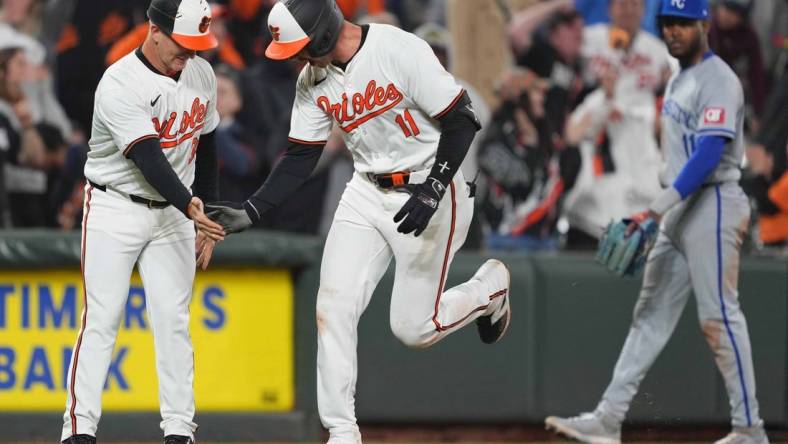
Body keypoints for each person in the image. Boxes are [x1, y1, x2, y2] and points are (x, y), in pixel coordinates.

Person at [204, 0, 511, 442]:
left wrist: (433, 188)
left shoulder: (398, 49)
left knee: (413, 329)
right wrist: (253, 209)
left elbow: (462, 121)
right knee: (333, 306)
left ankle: (489, 290)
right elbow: (300, 155)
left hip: (432, 185)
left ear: (324, 36)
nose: (297, 60)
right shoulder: (313, 79)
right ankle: (342, 433)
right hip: (366, 190)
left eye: (302, 49)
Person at [545, 1, 770, 443]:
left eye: (684, 23)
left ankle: (750, 430)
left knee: (719, 317)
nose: (674, 31)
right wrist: (661, 206)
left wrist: (655, 207)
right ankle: (609, 418)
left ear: (704, 24)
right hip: (680, 206)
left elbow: (708, 155)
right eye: (668, 22)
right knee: (649, 314)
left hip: (714, 201)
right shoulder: (679, 79)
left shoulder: (718, 79)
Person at [59, 0, 225, 443]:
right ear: (154, 29)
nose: (188, 53)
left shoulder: (201, 73)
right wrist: (192, 208)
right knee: (103, 317)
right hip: (116, 207)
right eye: (181, 42)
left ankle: (178, 431)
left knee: (173, 319)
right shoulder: (119, 82)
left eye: (196, 45)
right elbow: (149, 159)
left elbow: (206, 149)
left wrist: (202, 214)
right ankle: (79, 430)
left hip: (175, 212)